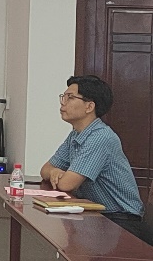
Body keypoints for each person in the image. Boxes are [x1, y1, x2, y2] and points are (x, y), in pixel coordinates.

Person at [41, 75, 149, 243]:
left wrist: (59, 175)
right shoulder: (76, 135)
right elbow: (45, 170)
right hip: (97, 215)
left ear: (89, 106)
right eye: (63, 97)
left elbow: (67, 184)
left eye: (70, 97)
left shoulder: (100, 137)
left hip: (121, 220)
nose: (63, 103)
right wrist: (55, 171)